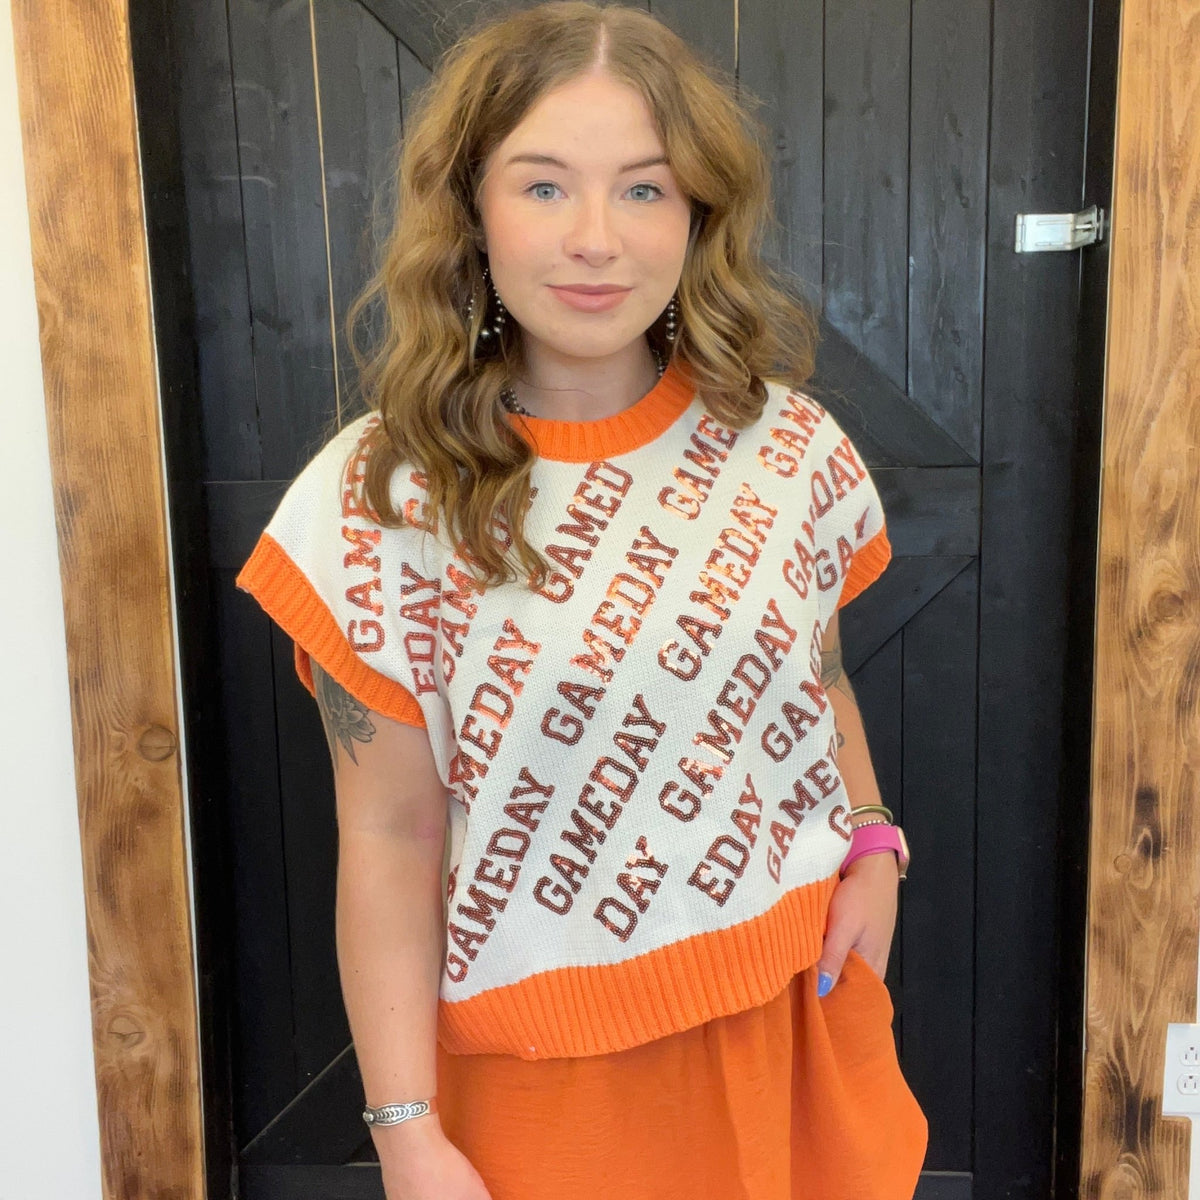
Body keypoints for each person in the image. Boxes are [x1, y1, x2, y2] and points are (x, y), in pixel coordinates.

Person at [237, 3, 928, 1196]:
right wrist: (406, 1133)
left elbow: (814, 674)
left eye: (646, 190)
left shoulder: (787, 447)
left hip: (794, 1017)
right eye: (545, 186)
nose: (598, 239)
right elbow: (391, 838)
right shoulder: (376, 498)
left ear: (700, 213)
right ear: (472, 211)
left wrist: (874, 844)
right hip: (549, 1080)